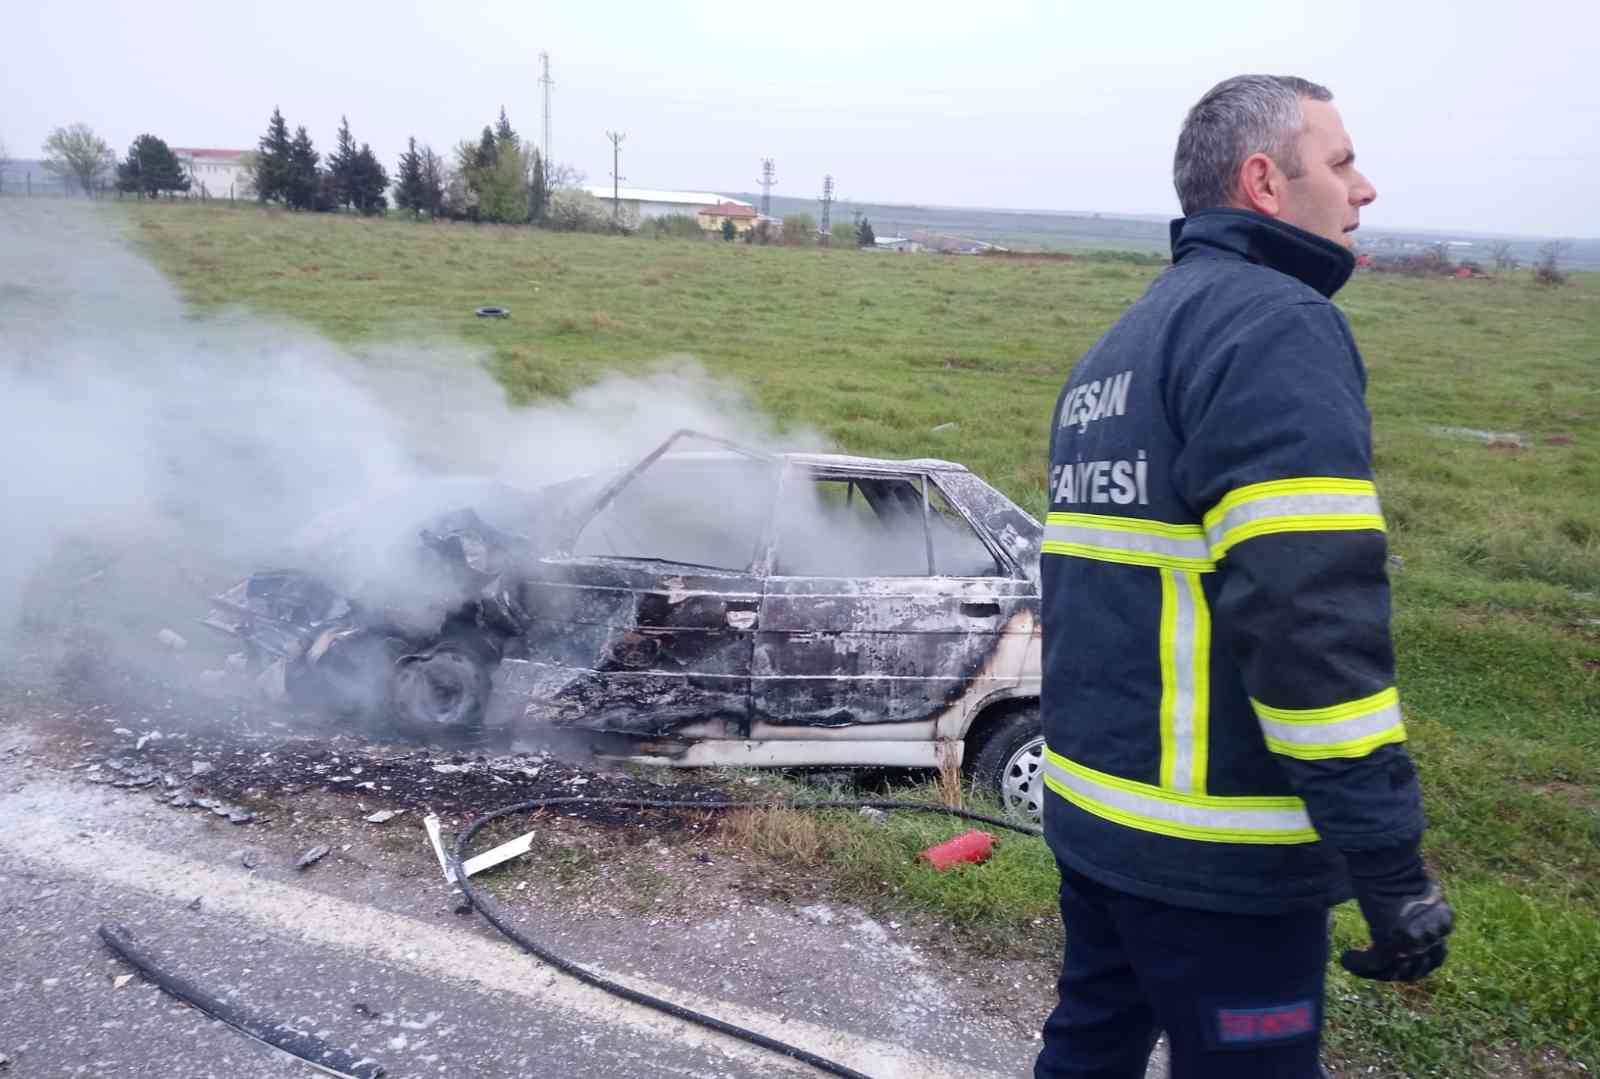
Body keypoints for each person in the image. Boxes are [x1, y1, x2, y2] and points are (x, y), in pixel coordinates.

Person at [1034, 75, 1455, 1079]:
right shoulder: (1272, 323)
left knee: (1086, 1055)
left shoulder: (1121, 343)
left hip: (1098, 827)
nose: (1364, 189)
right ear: (1264, 180)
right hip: (1215, 858)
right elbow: (1308, 618)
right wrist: (1386, 855)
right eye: (1342, 160)